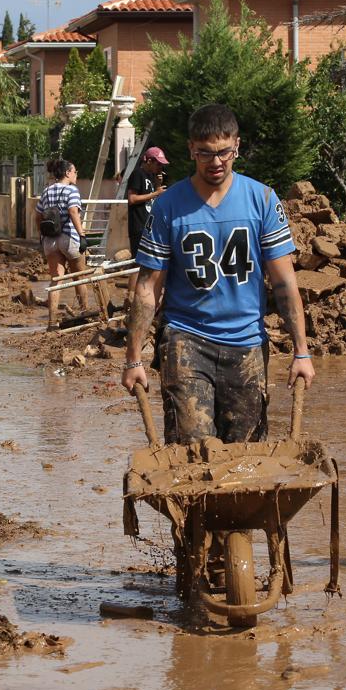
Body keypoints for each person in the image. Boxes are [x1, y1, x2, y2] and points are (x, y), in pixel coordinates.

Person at [122, 103, 315, 444]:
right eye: (205, 153)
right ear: (190, 150)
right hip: (186, 340)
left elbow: (285, 284)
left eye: (224, 152)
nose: (215, 162)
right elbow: (147, 288)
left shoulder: (263, 201)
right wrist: (133, 358)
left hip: (247, 344)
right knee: (193, 450)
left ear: (237, 146)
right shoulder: (168, 207)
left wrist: (301, 352)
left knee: (246, 456)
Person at [38, 158, 91, 330]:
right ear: (68, 173)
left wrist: (41, 235)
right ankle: (84, 314)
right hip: (69, 239)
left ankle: (52, 323)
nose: (76, 175)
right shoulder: (72, 190)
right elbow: (73, 211)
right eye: (75, 171)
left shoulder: (46, 191)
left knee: (56, 280)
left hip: (50, 241)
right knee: (79, 277)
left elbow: (37, 216)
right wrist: (82, 236)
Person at [125, 146, 169, 302]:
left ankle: (140, 296)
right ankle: (130, 299)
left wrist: (158, 184)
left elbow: (155, 199)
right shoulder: (137, 174)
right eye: (158, 164)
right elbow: (132, 199)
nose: (160, 167)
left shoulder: (150, 176)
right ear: (149, 161)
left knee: (147, 264)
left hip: (148, 226)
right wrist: (155, 193)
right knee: (137, 263)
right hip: (138, 225)